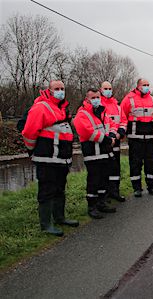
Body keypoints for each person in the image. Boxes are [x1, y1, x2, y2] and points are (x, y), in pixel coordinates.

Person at [21, 80, 78, 236]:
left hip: (61, 159)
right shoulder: (41, 107)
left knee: (59, 189)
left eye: (62, 88)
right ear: (49, 90)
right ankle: (46, 225)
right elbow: (29, 132)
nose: (60, 91)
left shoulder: (62, 109)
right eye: (57, 89)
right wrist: (32, 150)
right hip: (46, 159)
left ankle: (60, 218)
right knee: (46, 191)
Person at [74, 88, 118, 219]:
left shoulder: (102, 111)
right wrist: (107, 139)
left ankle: (102, 202)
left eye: (98, 97)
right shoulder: (82, 114)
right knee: (93, 180)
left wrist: (111, 135)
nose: (96, 100)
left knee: (104, 179)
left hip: (105, 152)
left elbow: (111, 124)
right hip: (93, 153)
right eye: (93, 98)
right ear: (87, 99)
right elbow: (86, 132)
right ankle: (92, 206)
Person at [120, 78, 153, 197]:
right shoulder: (129, 98)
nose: (146, 87)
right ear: (138, 86)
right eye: (144, 85)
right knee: (135, 163)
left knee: (151, 162)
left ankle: (151, 186)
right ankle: (137, 188)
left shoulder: (152, 99)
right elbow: (123, 115)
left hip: (150, 137)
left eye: (148, 85)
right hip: (135, 137)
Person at [100, 81, 127, 202]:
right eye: (105, 88)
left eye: (110, 88)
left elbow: (123, 121)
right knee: (103, 168)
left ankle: (115, 191)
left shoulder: (117, 106)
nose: (108, 90)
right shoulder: (98, 104)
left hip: (115, 140)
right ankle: (104, 194)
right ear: (101, 90)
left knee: (115, 167)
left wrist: (120, 133)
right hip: (103, 141)